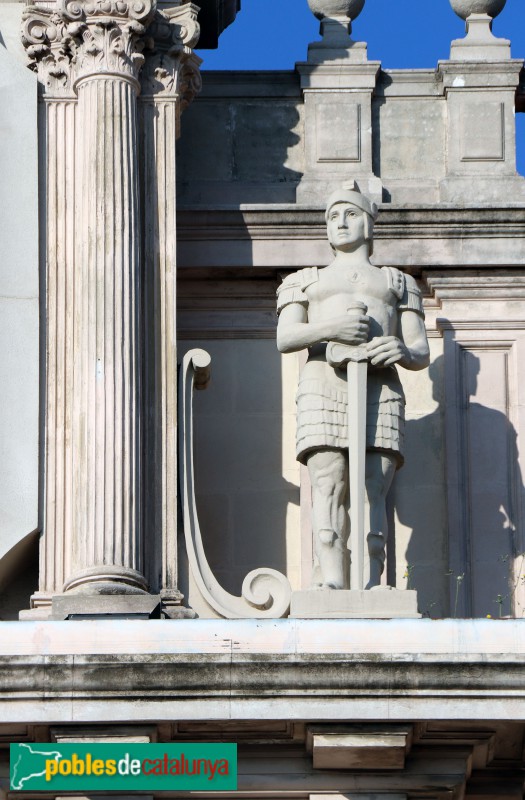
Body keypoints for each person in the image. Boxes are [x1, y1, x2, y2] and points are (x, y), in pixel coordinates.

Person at [276, 184, 430, 590]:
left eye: (351, 214)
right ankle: (331, 581)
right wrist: (331, 329)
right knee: (328, 480)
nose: (341, 223)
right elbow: (286, 337)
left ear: (369, 222)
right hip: (323, 383)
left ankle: (371, 579)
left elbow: (420, 351)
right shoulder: (305, 281)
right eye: (332, 216)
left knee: (373, 485)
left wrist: (398, 347)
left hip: (380, 387)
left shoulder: (398, 283)